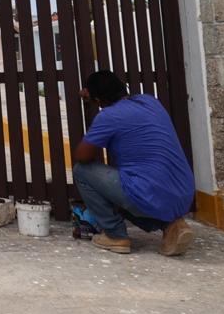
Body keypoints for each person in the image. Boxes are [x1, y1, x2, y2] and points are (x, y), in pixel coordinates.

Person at [72, 70, 196, 256]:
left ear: (99, 100)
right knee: (132, 184)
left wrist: (93, 103)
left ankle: (115, 236)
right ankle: (172, 224)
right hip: (184, 193)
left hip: (147, 191)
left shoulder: (109, 117)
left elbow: (82, 155)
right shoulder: (150, 102)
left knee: (82, 171)